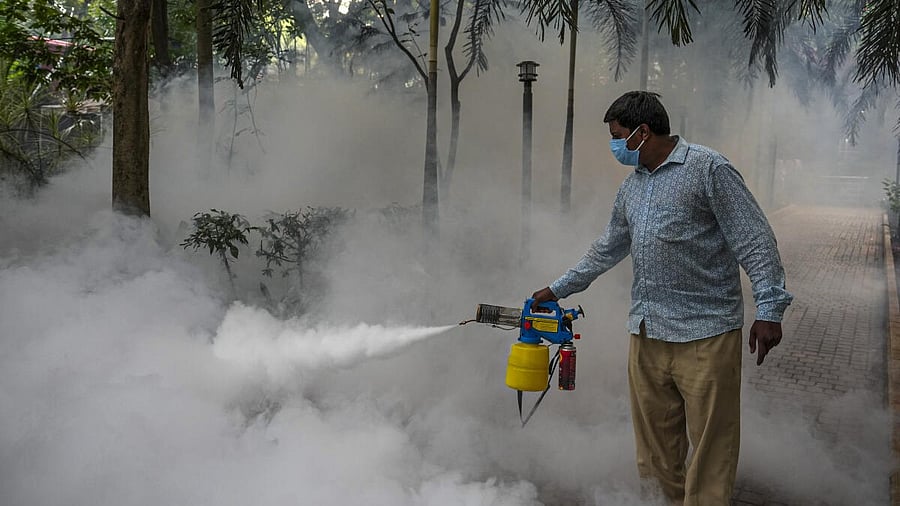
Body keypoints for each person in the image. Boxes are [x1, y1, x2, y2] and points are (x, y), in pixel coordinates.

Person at [530, 91, 793, 506]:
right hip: (647, 333)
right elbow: (607, 249)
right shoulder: (631, 190)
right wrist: (558, 287)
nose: (614, 145)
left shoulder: (708, 169)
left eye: (617, 136)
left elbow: (755, 240)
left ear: (642, 132)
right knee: (655, 453)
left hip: (706, 334)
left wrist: (770, 309)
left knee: (710, 450)